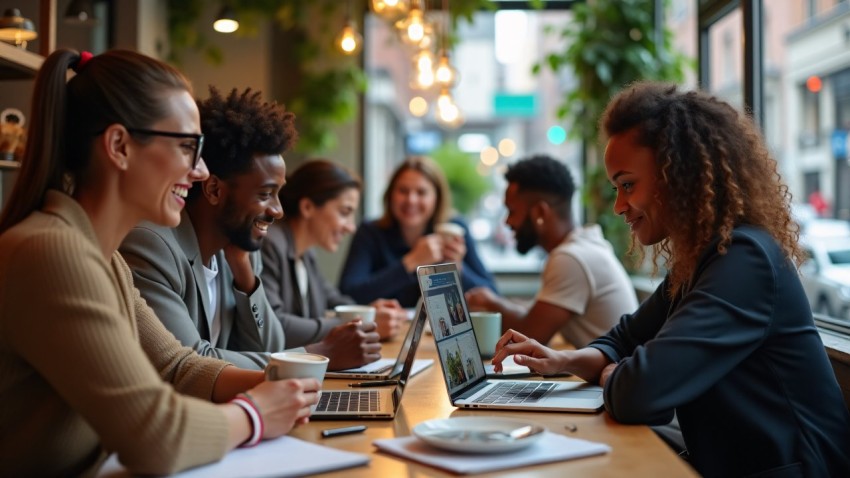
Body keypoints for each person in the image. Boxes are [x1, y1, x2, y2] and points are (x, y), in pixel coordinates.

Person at [492, 82, 850, 477]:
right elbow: (625, 338)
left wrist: (615, 374)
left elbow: (640, 392)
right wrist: (564, 359)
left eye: (627, 185)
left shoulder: (744, 260)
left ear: (680, 174)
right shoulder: (701, 258)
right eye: (616, 188)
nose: (618, 206)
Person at [0, 49, 318, 476]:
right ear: (119, 146)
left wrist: (282, 386)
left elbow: (177, 366)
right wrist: (256, 414)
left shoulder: (99, 255)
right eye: (188, 146)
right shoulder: (52, 253)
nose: (202, 171)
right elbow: (157, 436)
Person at [119, 86, 380, 372]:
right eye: (265, 194)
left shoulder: (236, 249)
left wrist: (245, 275)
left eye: (278, 194)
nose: (278, 210)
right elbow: (190, 361)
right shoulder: (153, 246)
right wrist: (313, 354)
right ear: (214, 189)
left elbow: (269, 345)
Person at [465, 154, 638, 348]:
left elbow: (530, 336)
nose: (507, 222)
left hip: (613, 376)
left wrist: (491, 302)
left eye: (512, 211)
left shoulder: (571, 258)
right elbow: (535, 315)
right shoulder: (581, 247)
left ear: (540, 212)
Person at [260, 159, 406, 343]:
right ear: (307, 207)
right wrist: (362, 323)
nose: (352, 227)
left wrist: (370, 312)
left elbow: (333, 299)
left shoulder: (305, 254)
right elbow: (274, 324)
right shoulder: (270, 244)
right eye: (345, 212)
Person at [339, 156, 497, 307]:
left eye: (421, 192)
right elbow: (348, 294)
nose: (411, 200)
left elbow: (494, 296)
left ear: (437, 198)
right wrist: (410, 262)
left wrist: (459, 269)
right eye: (403, 191)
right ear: (390, 195)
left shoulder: (454, 229)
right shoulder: (371, 232)